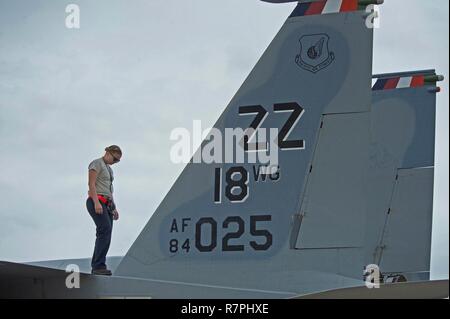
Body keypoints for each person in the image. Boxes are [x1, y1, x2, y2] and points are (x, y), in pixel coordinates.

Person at [86, 145, 122, 275]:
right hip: (96, 200)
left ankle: (100, 264)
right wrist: (96, 202)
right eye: (114, 158)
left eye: (117, 161)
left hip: (107, 203)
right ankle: (97, 265)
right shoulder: (96, 164)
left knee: (107, 233)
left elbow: (110, 191)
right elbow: (91, 184)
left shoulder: (109, 170)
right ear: (107, 153)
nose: (115, 162)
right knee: (104, 229)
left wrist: (114, 208)